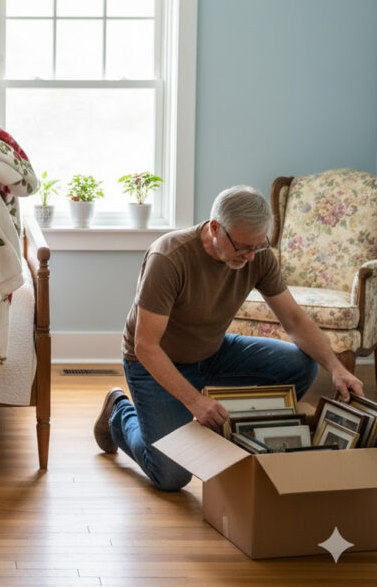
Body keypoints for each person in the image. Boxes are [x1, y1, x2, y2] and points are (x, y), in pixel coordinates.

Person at [93, 185, 364, 491]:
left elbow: (295, 320)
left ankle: (246, 434)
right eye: (243, 247)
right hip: (155, 362)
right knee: (171, 475)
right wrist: (194, 401)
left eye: (257, 247)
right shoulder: (168, 257)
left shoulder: (257, 255)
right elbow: (145, 346)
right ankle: (119, 413)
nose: (250, 257)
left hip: (213, 351)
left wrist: (336, 367)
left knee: (302, 366)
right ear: (214, 228)